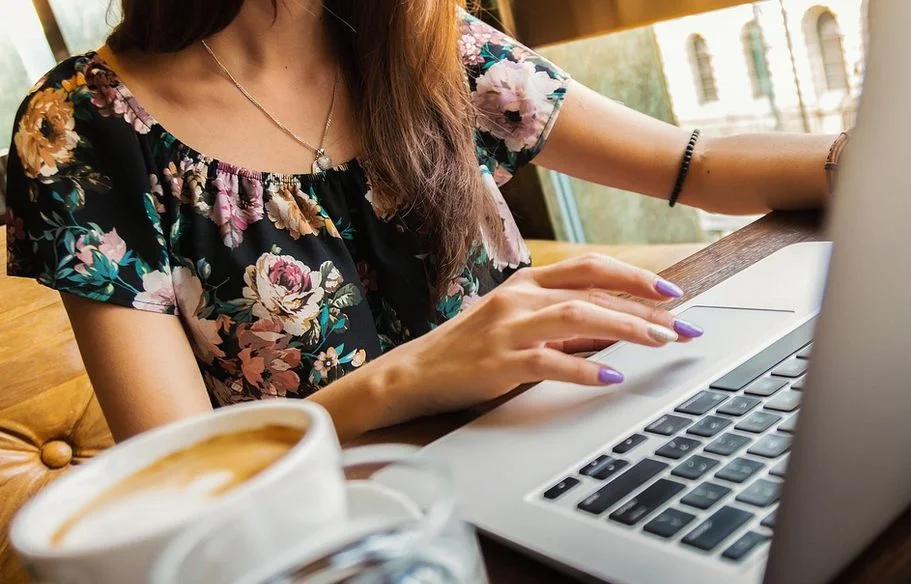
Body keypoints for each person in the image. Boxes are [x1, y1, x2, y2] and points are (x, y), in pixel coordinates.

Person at [3, 0, 842, 443]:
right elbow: (179, 477)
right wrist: (410, 375)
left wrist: (897, 151)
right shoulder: (83, 131)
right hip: (348, 547)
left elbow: (692, 165)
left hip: (556, 441)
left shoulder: (422, 38)